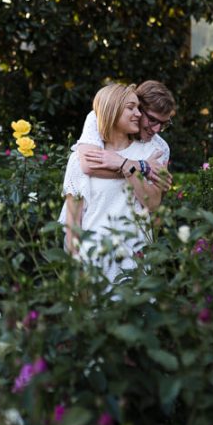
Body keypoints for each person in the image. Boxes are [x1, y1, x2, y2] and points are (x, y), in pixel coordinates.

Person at [62, 83, 167, 283]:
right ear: (112, 109)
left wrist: (128, 166)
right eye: (131, 108)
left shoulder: (150, 155)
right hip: (94, 263)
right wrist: (76, 272)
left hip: (135, 261)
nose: (138, 114)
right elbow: (73, 222)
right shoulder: (81, 159)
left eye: (138, 107)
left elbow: (153, 204)